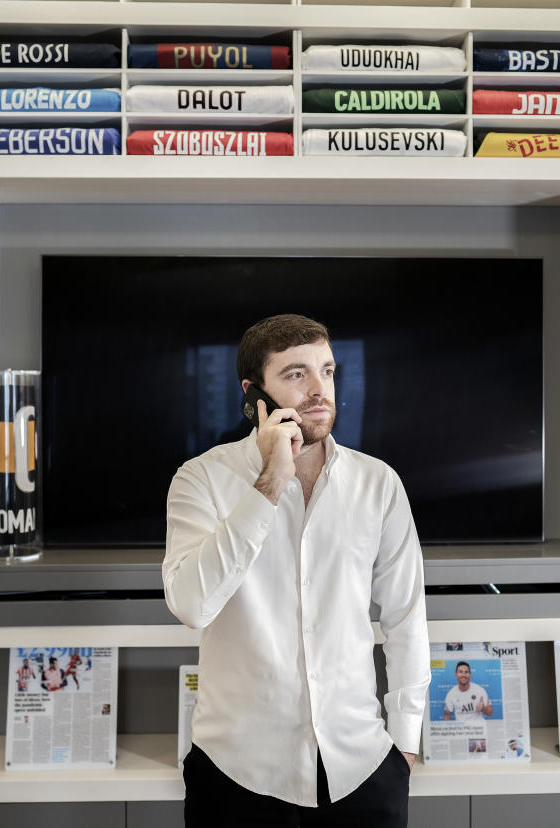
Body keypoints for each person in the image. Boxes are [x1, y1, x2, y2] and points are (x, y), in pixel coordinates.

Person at [164, 314, 428, 827]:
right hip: (237, 773)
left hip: (363, 768)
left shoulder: (379, 484)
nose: (318, 389)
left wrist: (406, 743)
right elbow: (193, 605)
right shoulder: (201, 480)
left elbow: (406, 617)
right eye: (295, 374)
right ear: (252, 395)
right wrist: (270, 483)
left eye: (326, 371)